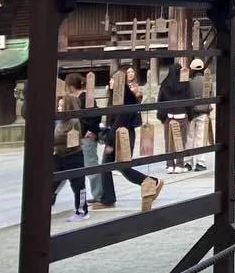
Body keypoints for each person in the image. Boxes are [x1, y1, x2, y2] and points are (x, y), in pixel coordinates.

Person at [99, 67, 164, 211]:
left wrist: (110, 142)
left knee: (120, 167)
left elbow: (121, 119)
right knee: (113, 166)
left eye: (113, 79)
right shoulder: (117, 96)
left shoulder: (126, 96)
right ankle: (108, 198)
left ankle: (151, 182)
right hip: (118, 133)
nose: (110, 82)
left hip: (123, 134)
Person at [53, 74, 89, 222]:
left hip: (73, 155)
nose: (59, 108)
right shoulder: (58, 121)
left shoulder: (73, 122)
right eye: (59, 106)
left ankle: (82, 211)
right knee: (51, 181)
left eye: (62, 106)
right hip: (59, 155)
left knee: (77, 184)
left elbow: (64, 138)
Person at [78, 81, 108, 207]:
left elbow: (96, 114)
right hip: (77, 137)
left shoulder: (85, 98)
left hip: (87, 137)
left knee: (91, 165)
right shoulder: (76, 98)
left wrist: (92, 129)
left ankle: (99, 195)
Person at [158, 63, 192, 173]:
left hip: (169, 116)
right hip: (181, 115)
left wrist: (162, 116)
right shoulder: (185, 84)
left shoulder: (165, 84)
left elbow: (160, 101)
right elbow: (189, 100)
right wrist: (190, 115)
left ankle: (169, 165)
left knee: (168, 141)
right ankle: (179, 164)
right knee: (181, 141)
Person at [187, 58, 209, 171]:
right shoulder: (207, 81)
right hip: (204, 112)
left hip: (191, 112)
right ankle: (200, 162)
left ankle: (188, 162)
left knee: (190, 137)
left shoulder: (189, 81)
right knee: (201, 138)